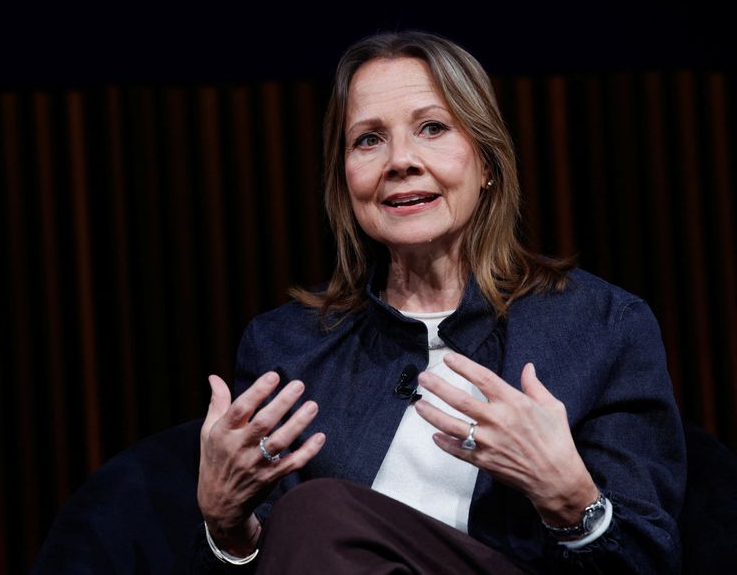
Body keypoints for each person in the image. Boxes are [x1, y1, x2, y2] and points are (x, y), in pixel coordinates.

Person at [193, 31, 686, 573]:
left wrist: (570, 497)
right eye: (368, 140)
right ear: (345, 181)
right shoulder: (285, 347)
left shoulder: (602, 327)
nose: (401, 160)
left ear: (488, 161)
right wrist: (227, 529)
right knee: (313, 516)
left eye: (432, 128)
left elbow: (650, 559)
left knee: (315, 509)